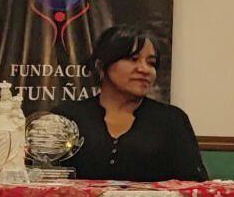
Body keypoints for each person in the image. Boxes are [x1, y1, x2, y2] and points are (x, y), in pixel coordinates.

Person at [53, 24, 207, 182]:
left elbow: (194, 188)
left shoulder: (172, 120)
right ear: (101, 66)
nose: (144, 69)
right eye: (133, 59)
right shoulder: (66, 118)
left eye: (151, 63)